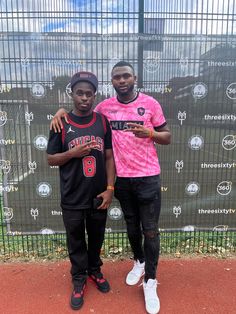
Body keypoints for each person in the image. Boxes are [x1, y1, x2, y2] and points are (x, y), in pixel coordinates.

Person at [51, 61, 171, 314]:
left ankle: (150, 281)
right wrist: (60, 111)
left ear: (134, 78)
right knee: (130, 225)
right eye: (117, 77)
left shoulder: (150, 104)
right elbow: (80, 114)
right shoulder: (104, 109)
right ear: (112, 82)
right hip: (122, 180)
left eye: (126, 76)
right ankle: (137, 262)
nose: (122, 80)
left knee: (149, 230)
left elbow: (167, 137)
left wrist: (149, 133)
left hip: (147, 176)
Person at [47, 71, 115, 311]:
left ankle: (94, 270)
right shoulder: (61, 122)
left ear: (94, 95)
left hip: (98, 195)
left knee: (96, 239)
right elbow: (50, 159)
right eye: (80, 93)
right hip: (72, 196)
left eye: (89, 93)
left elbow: (108, 157)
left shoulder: (102, 121)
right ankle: (78, 278)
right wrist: (71, 154)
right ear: (72, 94)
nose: (84, 98)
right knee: (75, 241)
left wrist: (109, 189)